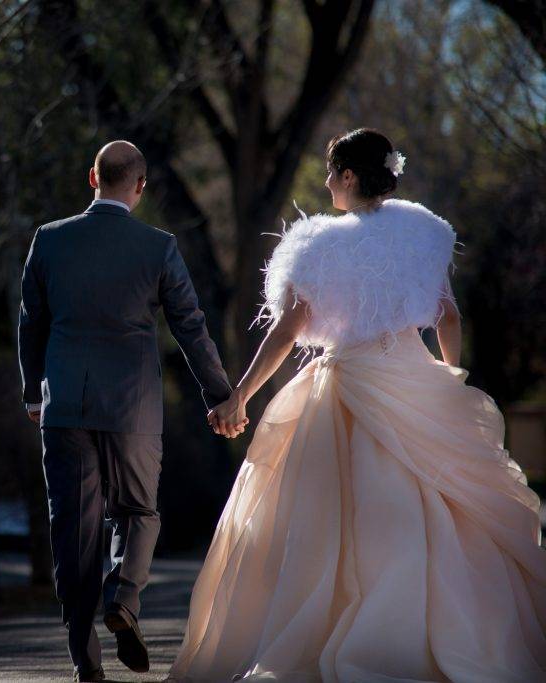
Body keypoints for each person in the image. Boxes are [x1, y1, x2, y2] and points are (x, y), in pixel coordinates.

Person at [170, 127, 546, 682]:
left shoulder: (319, 244)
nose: (325, 184)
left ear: (348, 176)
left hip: (348, 385)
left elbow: (288, 330)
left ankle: (339, 631)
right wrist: (446, 378)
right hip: (412, 376)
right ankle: (445, 633)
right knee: (432, 509)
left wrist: (240, 395)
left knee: (330, 520)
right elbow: (447, 316)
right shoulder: (424, 233)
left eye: (330, 173)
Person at [17, 140, 236, 682]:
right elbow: (190, 326)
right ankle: (123, 597)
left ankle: (83, 659)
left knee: (72, 527)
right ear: (139, 186)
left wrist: (31, 392)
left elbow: (30, 323)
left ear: (92, 176)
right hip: (133, 408)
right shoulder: (158, 247)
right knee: (138, 511)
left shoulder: (49, 240)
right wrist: (220, 395)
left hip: (64, 403)